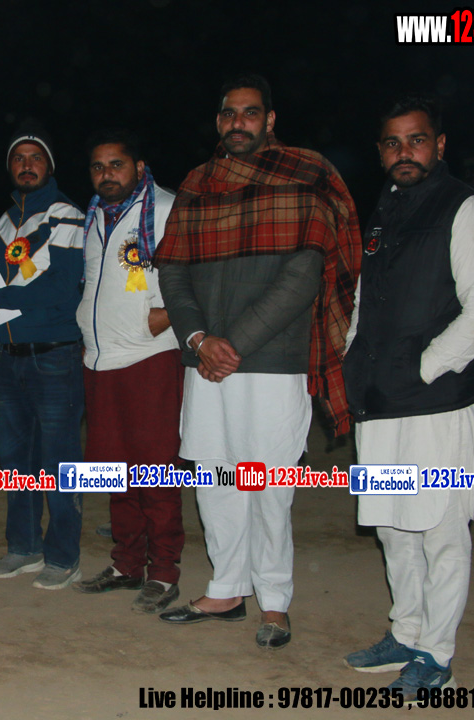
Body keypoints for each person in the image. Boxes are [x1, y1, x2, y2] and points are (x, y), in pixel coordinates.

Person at [156, 74, 361, 648]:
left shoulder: (304, 174)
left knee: (269, 483)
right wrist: (200, 339)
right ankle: (226, 588)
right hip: (205, 361)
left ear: (270, 120)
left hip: (273, 361)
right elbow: (172, 269)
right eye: (228, 114)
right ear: (218, 121)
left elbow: (304, 273)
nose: (238, 123)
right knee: (215, 475)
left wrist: (233, 343)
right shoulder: (197, 183)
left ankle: (274, 601)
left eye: (250, 113)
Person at [342, 94, 474, 700]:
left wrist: (425, 368)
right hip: (380, 399)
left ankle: (437, 655)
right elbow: (365, 299)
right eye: (392, 142)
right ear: (381, 151)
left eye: (416, 140)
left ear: (439, 144)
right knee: (393, 527)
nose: (403, 152)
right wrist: (355, 357)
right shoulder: (385, 211)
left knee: (441, 531)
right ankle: (406, 632)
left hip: (438, 404)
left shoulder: (468, 210)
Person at [70, 129, 185, 614]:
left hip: (148, 357)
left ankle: (164, 572)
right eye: (98, 167)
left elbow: (195, 270)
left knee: (155, 470)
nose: (106, 175)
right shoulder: (95, 214)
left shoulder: (167, 207)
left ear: (138, 167)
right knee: (114, 471)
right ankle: (127, 564)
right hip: (101, 360)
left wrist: (164, 314)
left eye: (116, 164)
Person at [0, 120, 85, 590]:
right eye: (19, 158)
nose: (27, 165)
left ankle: (64, 555)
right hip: (10, 354)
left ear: (50, 166)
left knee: (60, 461)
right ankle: (23, 545)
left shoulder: (65, 214)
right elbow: (2, 278)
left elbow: (64, 288)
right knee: (15, 461)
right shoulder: (3, 222)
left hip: (55, 354)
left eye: (36, 158)